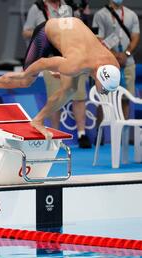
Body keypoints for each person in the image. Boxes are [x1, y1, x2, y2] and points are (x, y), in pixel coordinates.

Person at [0, 17, 120, 139]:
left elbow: (90, 66)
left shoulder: (114, 64)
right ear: (98, 77)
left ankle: (38, 120)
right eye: (105, 88)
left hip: (71, 36)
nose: (106, 92)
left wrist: (63, 70)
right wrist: (26, 73)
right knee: (26, 81)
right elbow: (43, 63)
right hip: (47, 34)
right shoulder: (75, 65)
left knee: (70, 89)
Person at [23, 0, 91, 148]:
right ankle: (55, 134)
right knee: (55, 96)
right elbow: (26, 31)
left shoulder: (70, 5)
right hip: (51, 59)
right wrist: (46, 30)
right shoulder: (37, 8)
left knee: (79, 96)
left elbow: (82, 28)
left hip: (73, 58)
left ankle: (82, 134)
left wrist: (84, 16)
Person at [92, 0, 140, 139]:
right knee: (104, 99)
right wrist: (113, 55)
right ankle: (99, 134)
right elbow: (98, 38)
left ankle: (123, 135)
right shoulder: (100, 15)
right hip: (107, 65)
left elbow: (135, 37)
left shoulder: (131, 15)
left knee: (126, 99)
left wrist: (126, 54)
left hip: (127, 63)